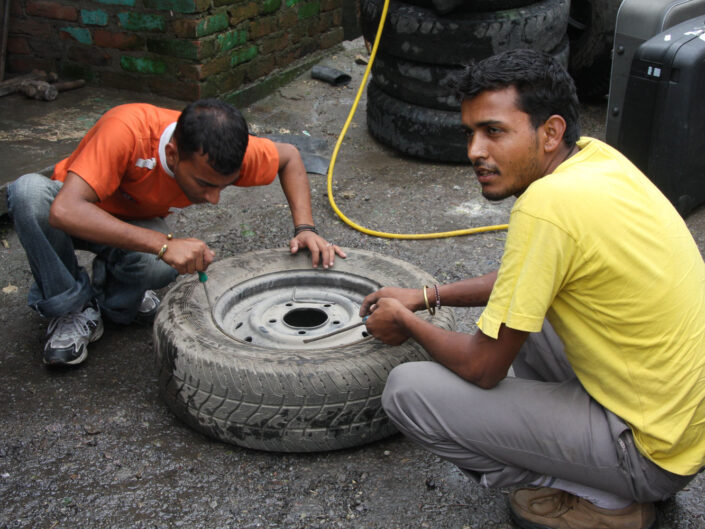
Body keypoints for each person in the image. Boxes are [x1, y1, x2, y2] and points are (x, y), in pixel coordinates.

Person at [359, 49, 705, 529]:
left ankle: (602, 499)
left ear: (551, 132)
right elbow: (526, 282)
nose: (474, 151)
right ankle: (592, 463)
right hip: (680, 428)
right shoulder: (596, 159)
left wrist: (407, 321)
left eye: (494, 131)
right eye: (471, 133)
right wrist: (428, 295)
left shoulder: (546, 205)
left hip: (648, 454)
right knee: (531, 307)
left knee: (407, 391)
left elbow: (483, 368)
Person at [8, 98, 345, 367]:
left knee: (153, 270)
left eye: (223, 187)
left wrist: (305, 228)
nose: (213, 199)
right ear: (172, 154)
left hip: (131, 223)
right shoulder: (126, 129)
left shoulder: (223, 152)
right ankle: (71, 309)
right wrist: (163, 244)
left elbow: (290, 158)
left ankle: (111, 302)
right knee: (27, 194)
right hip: (71, 212)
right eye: (204, 184)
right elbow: (65, 210)